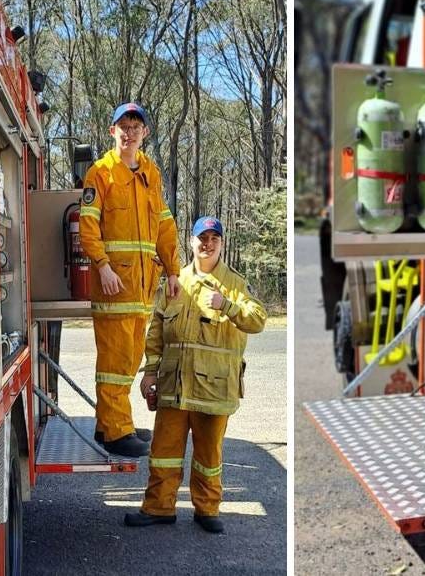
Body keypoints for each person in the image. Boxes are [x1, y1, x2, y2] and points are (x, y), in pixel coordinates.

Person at [124, 216, 266, 534]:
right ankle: (159, 508)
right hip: (175, 385)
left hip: (214, 388)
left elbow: (257, 320)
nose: (208, 243)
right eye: (203, 237)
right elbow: (156, 331)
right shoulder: (175, 283)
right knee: (164, 452)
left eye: (215, 238)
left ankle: (207, 510)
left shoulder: (235, 283)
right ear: (192, 242)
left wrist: (226, 304)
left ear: (222, 244)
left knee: (208, 455)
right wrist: (149, 373)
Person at [79, 102, 180, 458]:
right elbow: (87, 226)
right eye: (124, 125)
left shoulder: (150, 173)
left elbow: (165, 226)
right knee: (116, 362)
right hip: (114, 285)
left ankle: (112, 424)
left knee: (132, 358)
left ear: (145, 134)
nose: (130, 131)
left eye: (136, 126)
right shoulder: (101, 173)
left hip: (142, 287)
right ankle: (117, 432)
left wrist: (172, 270)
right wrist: (102, 266)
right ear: (113, 131)